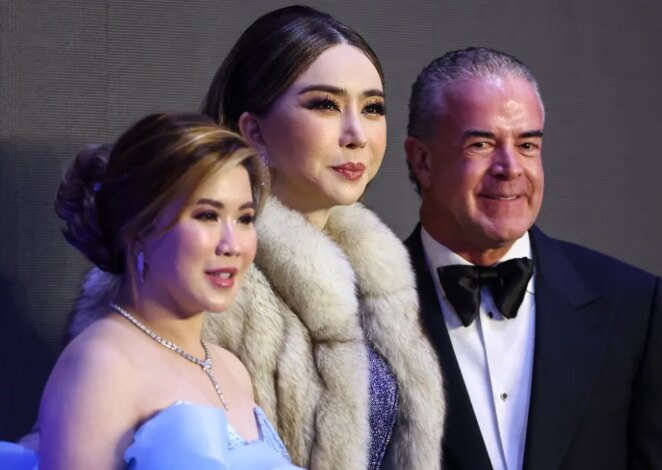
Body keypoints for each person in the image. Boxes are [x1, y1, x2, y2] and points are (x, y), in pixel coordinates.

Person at [68, 6, 445, 470]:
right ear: (253, 130)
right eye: (325, 105)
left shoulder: (378, 276)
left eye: (372, 109)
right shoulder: (198, 277)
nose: (356, 135)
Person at [404, 47, 662, 470]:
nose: (510, 168)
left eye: (527, 145)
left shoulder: (633, 306)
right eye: (481, 144)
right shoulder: (358, 310)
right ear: (423, 161)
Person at [0, 113, 302, 468]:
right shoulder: (101, 364)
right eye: (207, 215)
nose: (233, 245)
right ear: (138, 228)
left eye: (244, 219)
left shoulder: (232, 369)